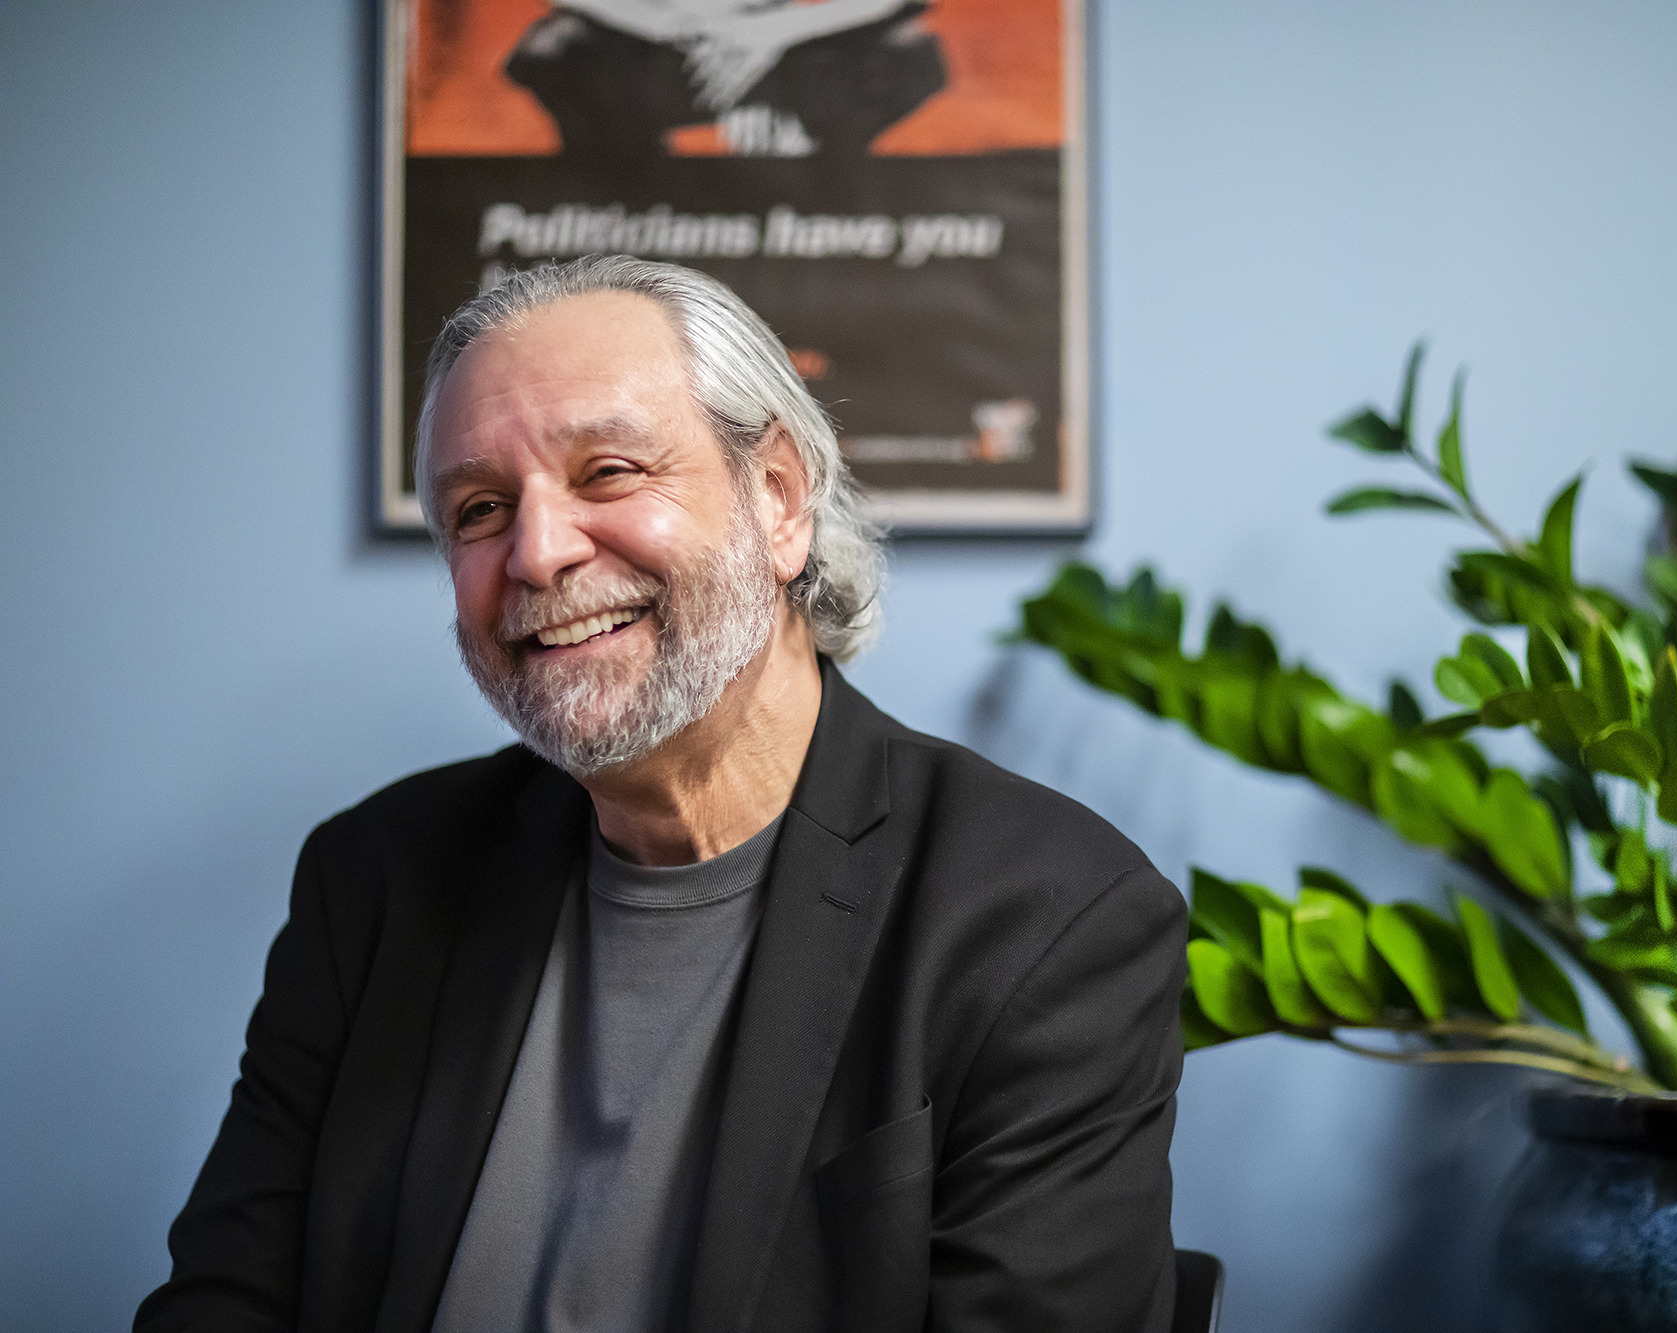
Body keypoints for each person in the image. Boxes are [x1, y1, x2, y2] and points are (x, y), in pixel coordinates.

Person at [133, 256, 1185, 1333]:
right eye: (482, 508)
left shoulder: (1048, 920)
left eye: (608, 472)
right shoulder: (377, 878)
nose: (536, 553)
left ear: (777, 501)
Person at [505, 0, 946, 161]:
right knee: (553, 49)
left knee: (912, 52)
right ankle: (621, 184)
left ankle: (827, 175)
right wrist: (675, 24)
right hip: (654, 46)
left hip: (792, 47)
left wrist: (772, 33)